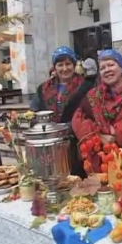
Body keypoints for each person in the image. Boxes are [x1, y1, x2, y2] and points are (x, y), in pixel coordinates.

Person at [72, 49, 122, 172]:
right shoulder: (92, 96)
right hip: (100, 165)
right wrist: (99, 136)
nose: (107, 70)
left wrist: (114, 131)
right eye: (103, 68)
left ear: (121, 68)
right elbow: (78, 121)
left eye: (111, 65)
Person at [30, 46, 95, 178]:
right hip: (50, 147)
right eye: (60, 65)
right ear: (55, 67)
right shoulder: (43, 89)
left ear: (74, 65)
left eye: (68, 64)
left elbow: (93, 114)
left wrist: (69, 127)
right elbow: (33, 114)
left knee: (77, 181)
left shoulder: (86, 87)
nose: (65, 69)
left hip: (77, 145)